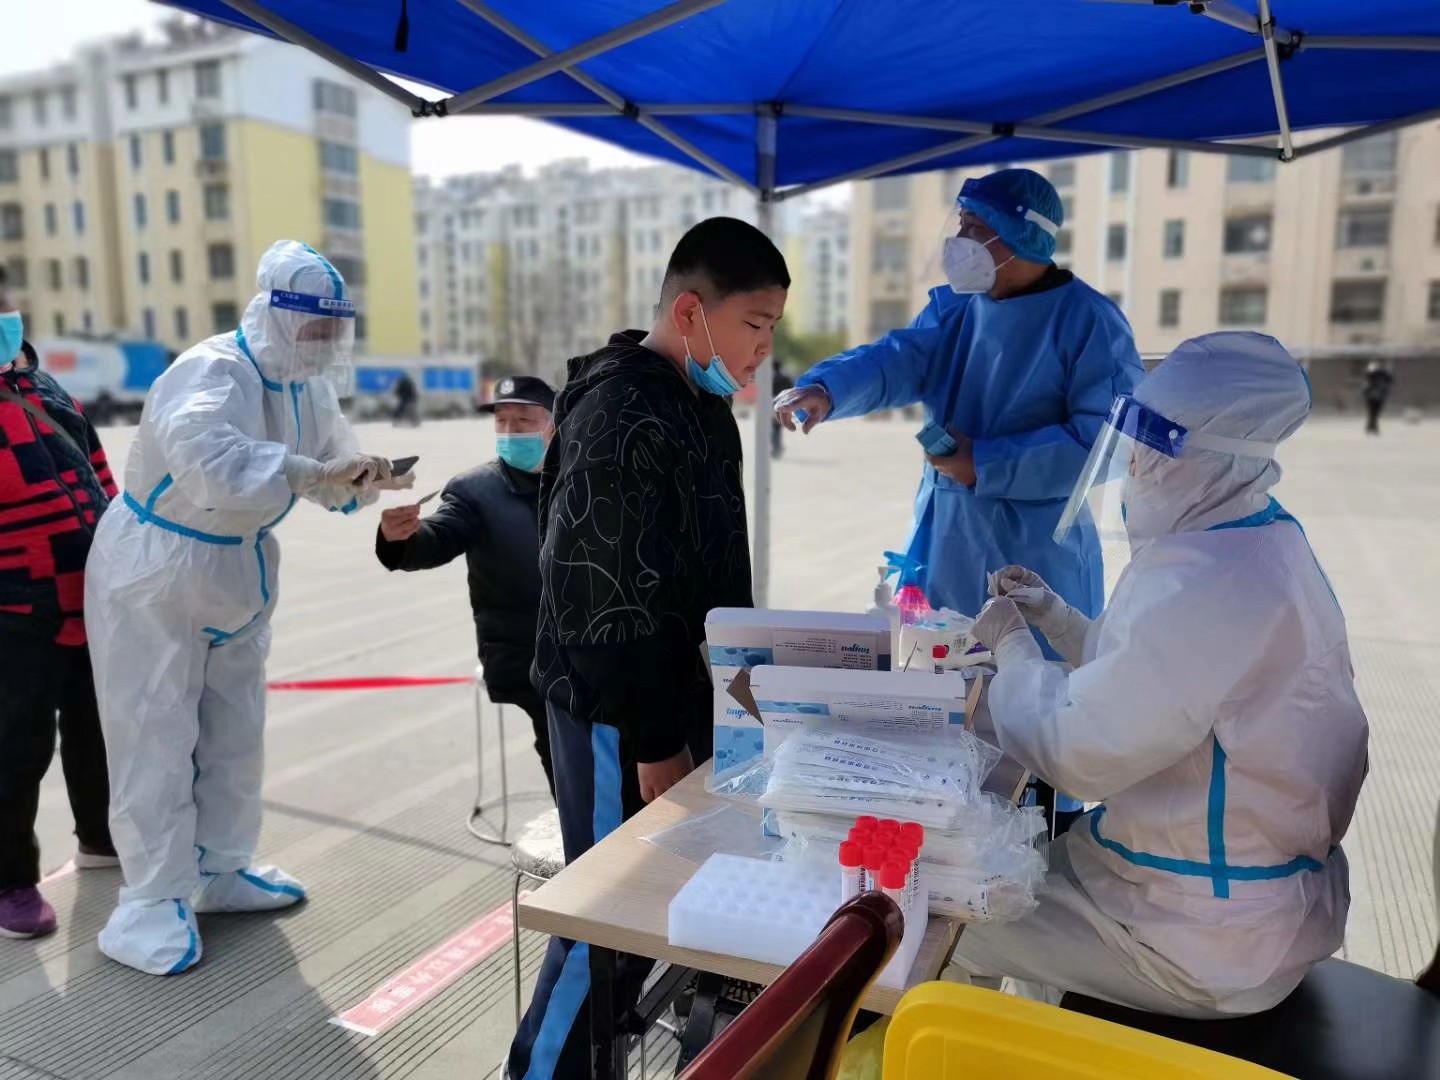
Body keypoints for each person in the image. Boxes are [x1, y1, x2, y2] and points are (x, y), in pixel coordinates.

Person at [961, 331, 1369, 1018]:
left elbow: (1076, 752)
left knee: (945, 921)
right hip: (1230, 894)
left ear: (1216, 457)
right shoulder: (1255, 539)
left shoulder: (1208, 584)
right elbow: (1151, 678)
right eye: (1133, 440)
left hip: (1198, 932)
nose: (1134, 466)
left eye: (1155, 447)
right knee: (1000, 876)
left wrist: (1013, 649)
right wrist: (1057, 617)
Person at [506, 217, 787, 1080]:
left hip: (680, 697)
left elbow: (707, 568)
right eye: (754, 326)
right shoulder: (618, 411)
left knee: (654, 910)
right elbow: (601, 603)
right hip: (616, 710)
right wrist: (656, 738)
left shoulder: (699, 404)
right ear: (691, 312)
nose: (763, 351)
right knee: (606, 918)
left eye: (773, 330)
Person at [84, 240, 411, 976]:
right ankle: (149, 899)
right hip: (157, 568)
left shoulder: (307, 383)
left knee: (236, 726)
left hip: (237, 566)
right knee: (153, 732)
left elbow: (328, 464)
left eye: (334, 329)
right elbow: (210, 465)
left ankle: (221, 866)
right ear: (277, 314)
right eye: (315, 327)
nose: (325, 343)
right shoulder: (211, 370)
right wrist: (308, 470)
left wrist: (362, 479)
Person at [774, 168, 1143, 628]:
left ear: (1021, 235)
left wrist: (987, 464)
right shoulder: (955, 309)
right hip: (947, 541)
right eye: (961, 223)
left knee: (1032, 667)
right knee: (937, 660)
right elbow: (897, 358)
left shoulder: (1089, 322)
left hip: (1037, 557)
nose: (960, 240)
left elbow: (1107, 443)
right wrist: (829, 388)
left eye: (976, 228)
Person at [0, 282, 119, 940]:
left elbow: (100, 476)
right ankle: (10, 880)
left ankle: (100, 837)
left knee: (97, 725)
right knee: (16, 745)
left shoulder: (45, 389)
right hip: (15, 607)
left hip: (88, 594)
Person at [375, 374, 558, 798]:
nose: (511, 432)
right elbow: (439, 536)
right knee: (570, 771)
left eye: (524, 420)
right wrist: (400, 538)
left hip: (593, 654)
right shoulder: (475, 490)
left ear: (554, 423)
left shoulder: (582, 477)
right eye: (502, 421)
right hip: (530, 659)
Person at [1361, 360, 1393, 435]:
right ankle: (1372, 427)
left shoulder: (1375, 376)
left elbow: (1390, 382)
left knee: (1373, 413)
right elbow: (1390, 382)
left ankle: (1371, 427)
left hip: (1375, 397)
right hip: (1375, 397)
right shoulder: (1380, 376)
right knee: (1374, 413)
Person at [771, 363, 794, 458]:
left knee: (774, 427)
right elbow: (791, 390)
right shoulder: (786, 378)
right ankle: (777, 446)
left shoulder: (771, 379)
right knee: (778, 426)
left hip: (773, 404)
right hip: (784, 404)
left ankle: (776, 447)